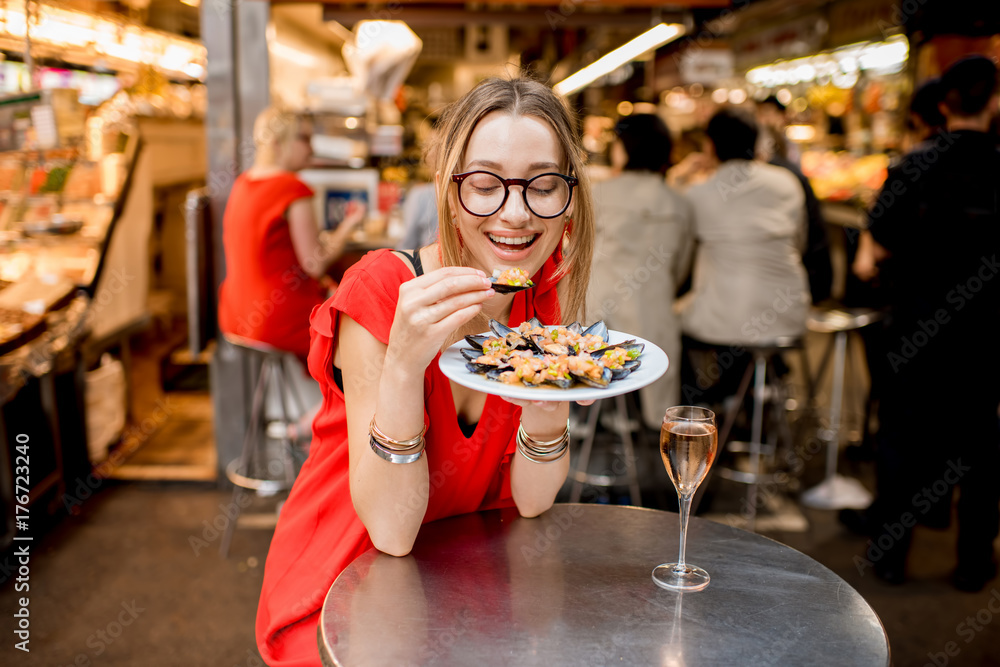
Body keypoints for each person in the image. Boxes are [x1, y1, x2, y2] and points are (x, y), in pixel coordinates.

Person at [256, 77, 596, 666]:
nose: (515, 213)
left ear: (569, 200)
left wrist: (549, 406)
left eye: (542, 185)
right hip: (344, 591)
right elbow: (390, 530)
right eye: (485, 184)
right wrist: (405, 365)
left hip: (459, 587)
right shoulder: (383, 289)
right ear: (447, 189)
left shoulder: (539, 291)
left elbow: (534, 504)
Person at [854, 56, 1000, 591]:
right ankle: (974, 562)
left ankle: (891, 558)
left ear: (943, 104)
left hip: (915, 328)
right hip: (985, 336)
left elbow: (873, 252)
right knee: (982, 446)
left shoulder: (911, 168)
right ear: (993, 102)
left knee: (901, 439)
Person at [677, 108, 810, 405]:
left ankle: (702, 406)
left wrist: (679, 176)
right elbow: (799, 244)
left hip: (725, 322)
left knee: (667, 320)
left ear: (710, 146)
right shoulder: (788, 182)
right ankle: (747, 395)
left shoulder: (698, 193)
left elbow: (678, 251)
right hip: (788, 316)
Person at [218, 106, 365, 364]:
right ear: (277, 143)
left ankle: (316, 404)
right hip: (278, 321)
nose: (311, 147)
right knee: (364, 335)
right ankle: (327, 405)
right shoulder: (292, 188)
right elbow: (314, 264)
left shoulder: (243, 183)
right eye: (304, 139)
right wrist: (350, 225)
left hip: (234, 317)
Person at [588, 113, 693, 429]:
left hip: (595, 322)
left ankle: (591, 418)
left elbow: (575, 256)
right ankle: (652, 431)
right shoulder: (679, 204)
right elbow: (681, 268)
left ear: (622, 148)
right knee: (660, 394)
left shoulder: (597, 194)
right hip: (654, 322)